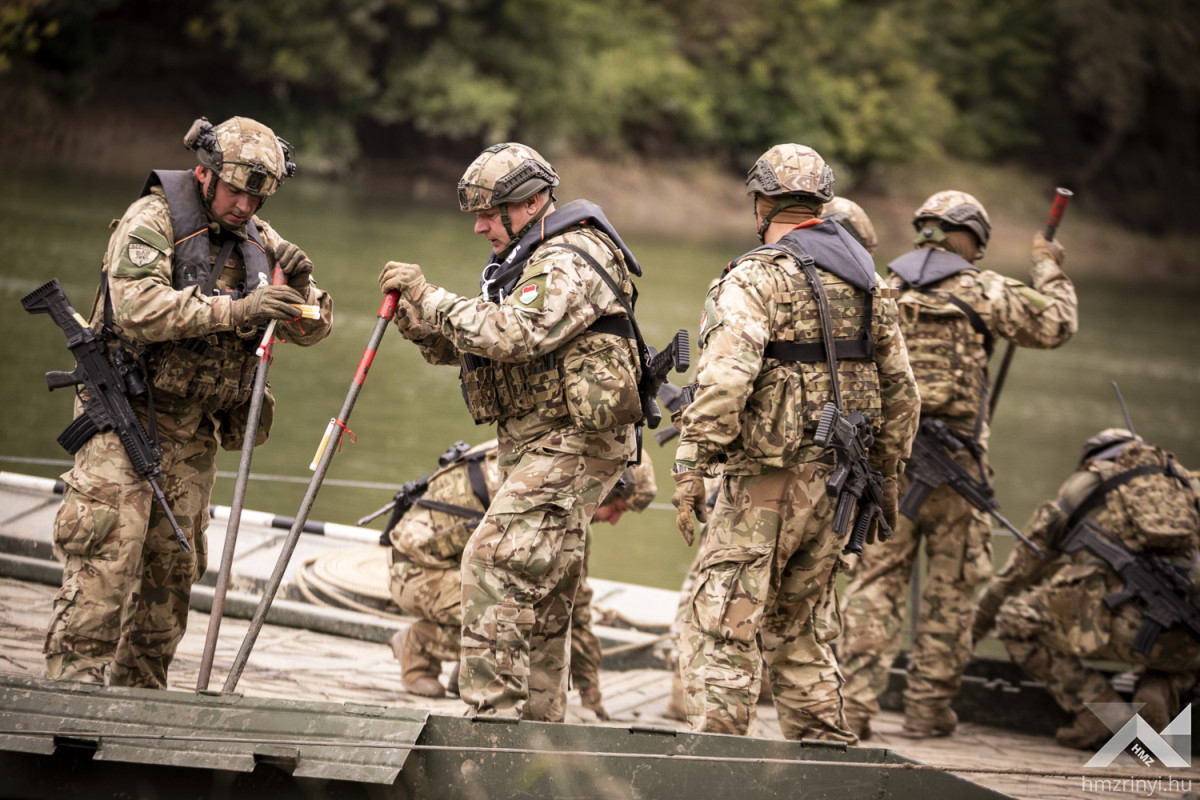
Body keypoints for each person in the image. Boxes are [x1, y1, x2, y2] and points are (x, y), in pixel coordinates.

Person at [43, 116, 334, 687]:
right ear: (204, 174)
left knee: (172, 576)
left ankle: (140, 698)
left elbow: (314, 327)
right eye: (235, 192)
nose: (245, 206)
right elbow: (138, 309)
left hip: (195, 432)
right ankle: (69, 695)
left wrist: (301, 293)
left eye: (257, 197)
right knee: (107, 561)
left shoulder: (261, 240)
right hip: (125, 417)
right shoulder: (152, 221)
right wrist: (239, 310)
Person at [378, 142, 645, 720]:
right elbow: (478, 347)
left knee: (492, 560)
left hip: (573, 442)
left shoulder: (569, 256)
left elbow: (516, 333)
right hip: (544, 443)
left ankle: (492, 721)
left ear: (527, 204)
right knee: (544, 585)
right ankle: (538, 725)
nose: (479, 227)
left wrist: (430, 295)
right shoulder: (528, 258)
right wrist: (418, 321)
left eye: (487, 214)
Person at [670, 143, 920, 742]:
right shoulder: (867, 282)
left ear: (762, 203)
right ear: (820, 203)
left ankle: (716, 766)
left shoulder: (754, 276)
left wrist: (689, 466)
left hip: (766, 482)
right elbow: (903, 393)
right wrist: (886, 479)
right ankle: (824, 759)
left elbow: (726, 382)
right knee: (802, 629)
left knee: (723, 627)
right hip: (840, 486)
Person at [838, 189, 1079, 739]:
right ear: (973, 238)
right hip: (959, 471)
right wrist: (1046, 264)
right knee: (952, 592)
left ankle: (854, 707)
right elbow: (1058, 323)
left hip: (887, 465)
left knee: (874, 585)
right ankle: (927, 710)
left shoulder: (883, 286)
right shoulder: (987, 290)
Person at [385, 440, 656, 721]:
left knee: (525, 606)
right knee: (524, 615)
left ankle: (466, 669)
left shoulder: (552, 473)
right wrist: (589, 692)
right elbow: (558, 605)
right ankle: (419, 644)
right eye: (618, 509)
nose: (614, 520)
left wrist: (589, 689)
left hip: (448, 565)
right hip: (417, 572)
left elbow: (576, 602)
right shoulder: (541, 491)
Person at [971, 429, 1200, 749]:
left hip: (1114, 627)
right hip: (1190, 636)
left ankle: (1103, 714)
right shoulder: (1186, 485)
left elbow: (1017, 575)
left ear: (1092, 459)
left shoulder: (1082, 487)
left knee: (1014, 620)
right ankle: (1161, 686)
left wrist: (972, 631)